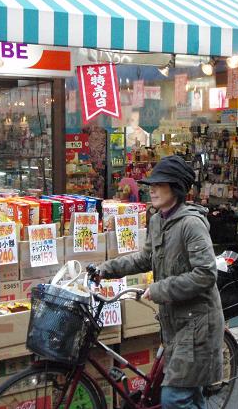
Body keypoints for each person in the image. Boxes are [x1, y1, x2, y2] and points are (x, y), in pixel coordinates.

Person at [96, 155, 224, 409]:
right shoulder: (157, 220)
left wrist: (159, 289)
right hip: (174, 321)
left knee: (174, 398)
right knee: (191, 394)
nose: (152, 190)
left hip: (198, 323)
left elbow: (206, 274)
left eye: (159, 185)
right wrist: (105, 269)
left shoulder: (191, 224)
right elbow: (145, 258)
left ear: (175, 188)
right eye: (151, 185)